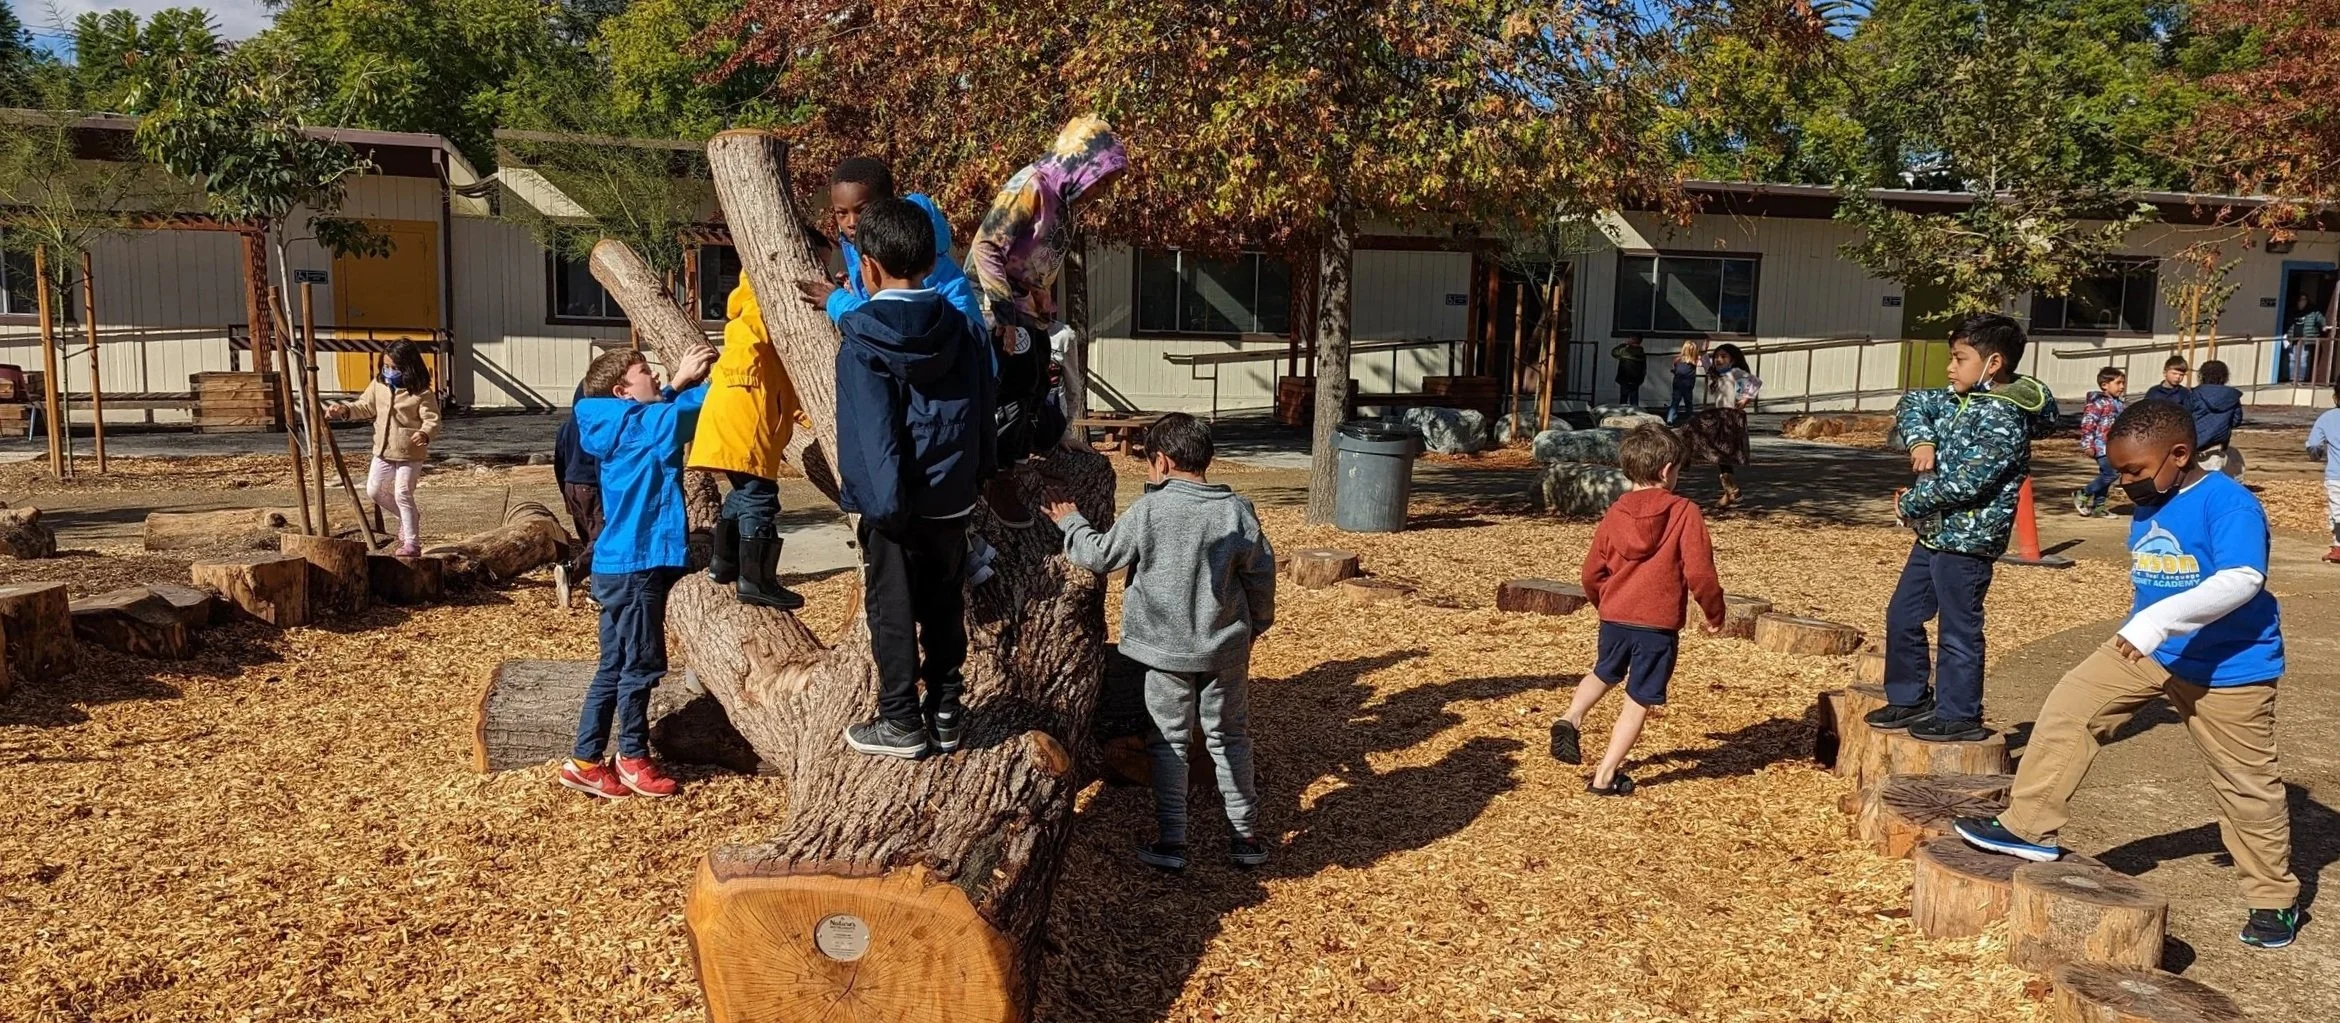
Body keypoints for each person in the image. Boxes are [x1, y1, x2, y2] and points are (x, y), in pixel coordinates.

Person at [1955, 399, 2299, 951]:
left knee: (2244, 785)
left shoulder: (2228, 503)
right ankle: (2028, 827)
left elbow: (2242, 578)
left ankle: (2273, 899)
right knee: (2070, 707)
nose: (2124, 481)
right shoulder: (2153, 498)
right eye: (2118, 470)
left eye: (2135, 470)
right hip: (2149, 651)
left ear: (2179, 455)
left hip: (2230, 667)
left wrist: (2157, 622)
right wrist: (2152, 628)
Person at [1045, 413, 1276, 871]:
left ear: (1163, 462)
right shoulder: (1237, 511)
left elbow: (1099, 555)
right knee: (1229, 736)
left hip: (1163, 650)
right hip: (1225, 648)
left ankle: (1173, 841)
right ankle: (1245, 836)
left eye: (1150, 466)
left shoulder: (1150, 511)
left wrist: (1071, 521)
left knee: (1168, 740)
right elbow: (1261, 577)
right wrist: (1257, 627)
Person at [836, 197, 997, 759]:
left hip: (895, 508)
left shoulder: (861, 338)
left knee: (894, 611)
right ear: (933, 259)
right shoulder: (962, 326)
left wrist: (883, 509)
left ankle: (900, 719)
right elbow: (981, 409)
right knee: (945, 601)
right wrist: (978, 476)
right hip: (953, 499)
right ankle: (947, 709)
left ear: (868, 266)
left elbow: (873, 433)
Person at [1868, 314, 2055, 743]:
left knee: (1958, 627)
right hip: (1935, 532)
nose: (1950, 368)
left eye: (1959, 358)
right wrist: (1921, 441)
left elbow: (1968, 482)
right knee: (1903, 614)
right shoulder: (1958, 397)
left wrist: (1910, 503)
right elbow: (1913, 403)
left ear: (1993, 364)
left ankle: (1960, 713)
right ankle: (1910, 696)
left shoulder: (2006, 418)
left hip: (1969, 541)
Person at [559, 342, 719, 800]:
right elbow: (690, 408)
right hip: (637, 566)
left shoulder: (614, 423)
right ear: (622, 390)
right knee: (642, 664)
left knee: (613, 664)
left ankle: (587, 761)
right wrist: (694, 378)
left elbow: (654, 414)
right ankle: (632, 758)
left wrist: (670, 387)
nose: (657, 376)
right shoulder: (641, 425)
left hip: (617, 564)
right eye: (646, 372)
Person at [1548, 424, 1725, 796]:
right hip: (1656, 626)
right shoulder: (1684, 512)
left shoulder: (1614, 513)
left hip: (1614, 616)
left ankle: (1571, 716)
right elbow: (1700, 573)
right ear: (1666, 470)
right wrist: (1714, 613)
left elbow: (1591, 571)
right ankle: (1605, 776)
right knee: (1639, 697)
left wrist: (1604, 601)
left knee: (1604, 671)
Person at [968, 116, 1128, 525]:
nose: (1104, 191)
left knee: (1042, 381)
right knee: (1015, 380)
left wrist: (1042, 302)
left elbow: (1037, 266)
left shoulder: (1066, 206)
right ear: (1082, 163)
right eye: (1103, 179)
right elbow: (987, 246)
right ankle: (995, 474)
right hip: (990, 300)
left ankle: (1026, 459)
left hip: (1025, 307)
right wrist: (1004, 317)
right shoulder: (1032, 185)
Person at [688, 278, 810, 610]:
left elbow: (784, 384)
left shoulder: (746, 317)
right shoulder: (761, 302)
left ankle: (724, 564)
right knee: (760, 496)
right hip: (746, 413)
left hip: (732, 412)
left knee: (743, 493)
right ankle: (756, 580)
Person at [794, 156, 988, 333]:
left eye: (862, 210)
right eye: (841, 213)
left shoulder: (907, 249)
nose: (851, 222)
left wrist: (836, 301)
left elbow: (894, 319)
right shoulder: (859, 242)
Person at [326, 341, 440, 557]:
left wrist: (425, 433)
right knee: (375, 490)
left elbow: (432, 419)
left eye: (395, 368)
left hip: (410, 453)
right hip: (383, 450)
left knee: (403, 492)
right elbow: (364, 406)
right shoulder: (379, 385)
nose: (389, 372)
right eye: (386, 366)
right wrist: (344, 410)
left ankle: (412, 543)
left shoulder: (421, 393)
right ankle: (409, 517)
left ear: (409, 368)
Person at [1681, 342, 1757, 508]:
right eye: (1717, 357)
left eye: (1723, 357)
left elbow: (1754, 382)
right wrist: (1703, 350)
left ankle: (1732, 491)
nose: (1718, 360)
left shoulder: (1735, 372)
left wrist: (1745, 399)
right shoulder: (1716, 375)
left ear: (1732, 359)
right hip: (1719, 415)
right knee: (1694, 431)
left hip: (1730, 417)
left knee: (1723, 454)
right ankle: (1730, 491)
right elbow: (1706, 362)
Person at [552, 383, 599, 610]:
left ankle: (594, 582)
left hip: (572, 486)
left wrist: (564, 492)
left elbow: (558, 463)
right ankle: (572, 571)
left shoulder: (566, 426)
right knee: (603, 539)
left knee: (589, 539)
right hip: (592, 486)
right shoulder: (597, 424)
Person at [2074, 367, 2127, 517]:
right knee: (2111, 474)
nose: (2122, 387)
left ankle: (2099, 507)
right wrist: (2088, 445)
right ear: (2105, 385)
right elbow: (2088, 424)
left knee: (2106, 475)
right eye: (2118, 383)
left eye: (2123, 383)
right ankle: (2083, 493)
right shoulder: (2097, 403)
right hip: (2101, 446)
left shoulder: (2119, 404)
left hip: (2114, 447)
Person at [2188, 360, 2244, 474]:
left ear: (2202, 375)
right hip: (2218, 445)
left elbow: (2186, 417)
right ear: (2225, 376)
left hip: (2193, 444)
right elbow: (2236, 421)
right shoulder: (2232, 397)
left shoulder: (2194, 394)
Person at [2308, 384, 2340, 563]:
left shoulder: (2327, 418)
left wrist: (2315, 455)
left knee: (2337, 511)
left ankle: (2338, 547)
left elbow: (2314, 445)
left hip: (2337, 474)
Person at [2285, 292, 2326, 384]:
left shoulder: (2313, 311)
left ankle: (2300, 379)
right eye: (2300, 300)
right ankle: (2292, 378)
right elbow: (2287, 322)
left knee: (2303, 359)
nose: (2302, 302)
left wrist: (2324, 326)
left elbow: (2321, 319)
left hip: (2306, 339)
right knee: (2292, 359)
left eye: (2304, 300)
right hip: (2293, 338)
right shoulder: (2292, 310)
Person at [1665, 341, 1701, 425]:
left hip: (1677, 384)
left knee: (1675, 402)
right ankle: (1690, 418)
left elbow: (1674, 369)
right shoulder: (1693, 362)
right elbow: (1701, 363)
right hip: (1688, 385)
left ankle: (1670, 418)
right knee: (1688, 402)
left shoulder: (1677, 360)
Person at [1611, 333, 1648, 407]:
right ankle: (1635, 414)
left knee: (1623, 399)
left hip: (1624, 378)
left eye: (1630, 338)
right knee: (1634, 399)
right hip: (1636, 380)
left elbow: (1614, 352)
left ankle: (1622, 415)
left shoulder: (1625, 351)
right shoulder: (1642, 353)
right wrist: (1641, 379)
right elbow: (1644, 368)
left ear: (1633, 340)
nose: (1628, 339)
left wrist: (1623, 345)